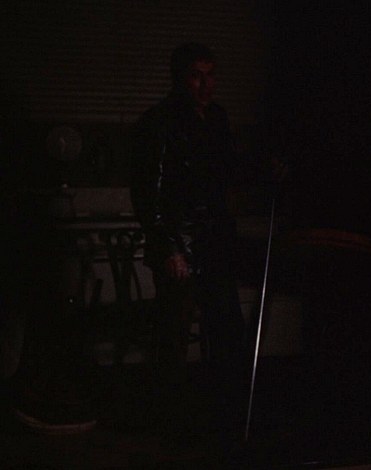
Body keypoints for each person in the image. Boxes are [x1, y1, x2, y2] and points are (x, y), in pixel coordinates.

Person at [130, 43, 246, 449]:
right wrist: (169, 248)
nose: (205, 84)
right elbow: (149, 194)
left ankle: (220, 415)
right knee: (173, 335)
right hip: (180, 243)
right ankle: (167, 420)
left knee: (225, 328)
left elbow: (228, 172)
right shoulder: (159, 123)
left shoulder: (216, 118)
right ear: (180, 78)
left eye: (211, 75)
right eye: (197, 75)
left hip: (215, 242)